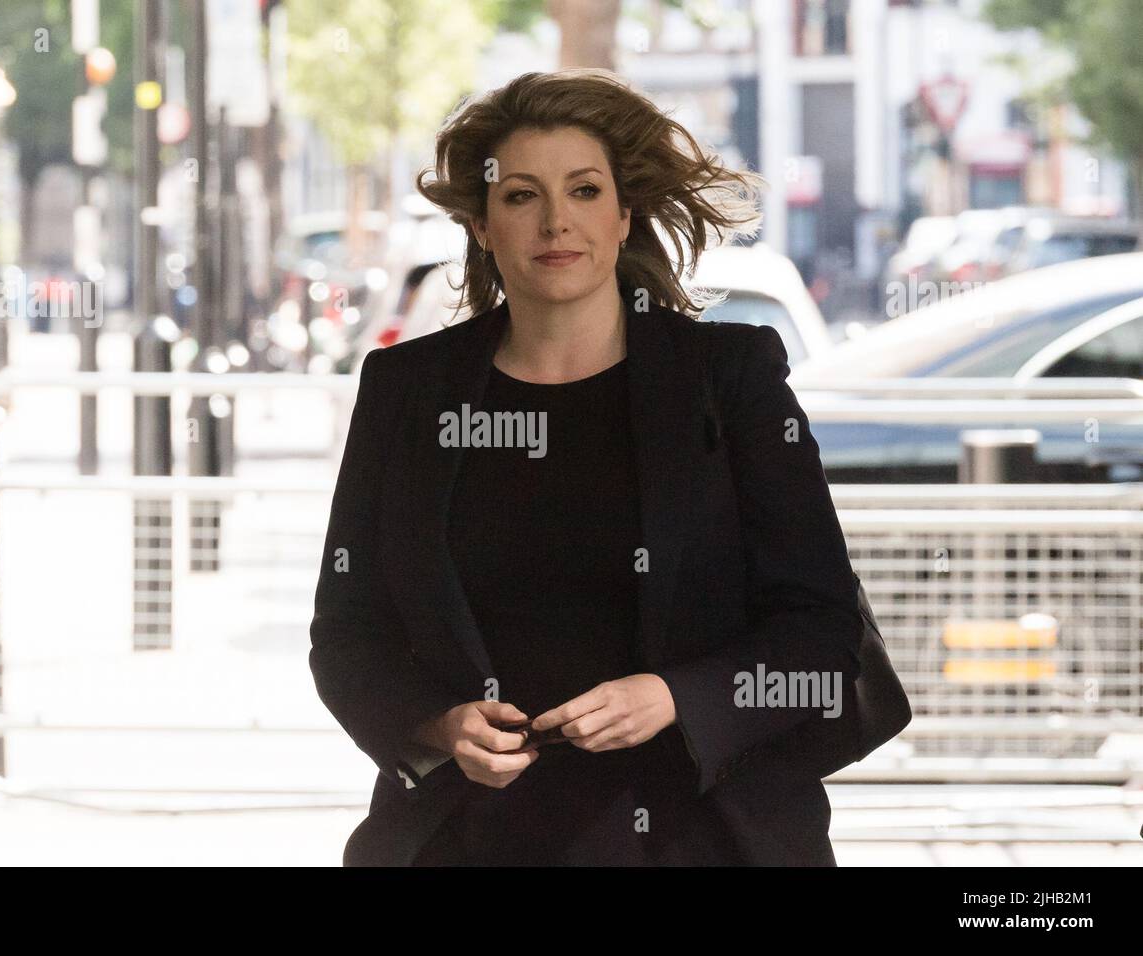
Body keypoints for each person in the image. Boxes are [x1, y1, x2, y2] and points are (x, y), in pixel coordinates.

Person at [308, 69, 865, 867]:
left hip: (699, 835)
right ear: (482, 223)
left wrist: (676, 697)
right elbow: (348, 632)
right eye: (522, 195)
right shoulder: (407, 389)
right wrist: (439, 726)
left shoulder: (728, 377)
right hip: (468, 837)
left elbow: (821, 633)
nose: (556, 222)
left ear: (624, 212)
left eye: (584, 190)